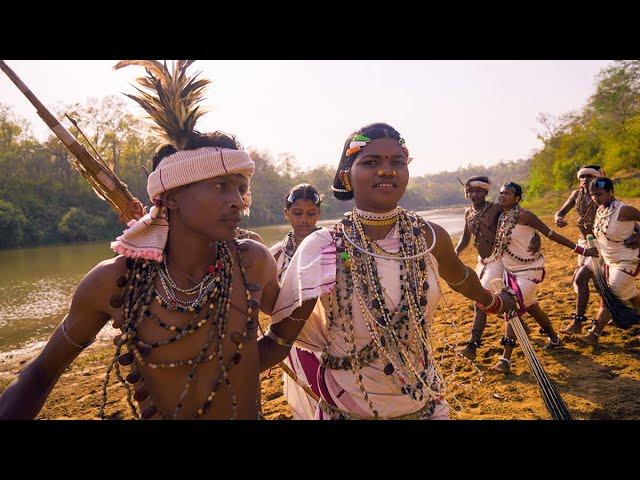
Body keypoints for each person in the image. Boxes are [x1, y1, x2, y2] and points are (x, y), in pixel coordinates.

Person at [0, 60, 279, 420]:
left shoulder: (252, 261)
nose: (238, 200)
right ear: (171, 198)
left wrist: (315, 284)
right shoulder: (114, 281)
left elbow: (267, 344)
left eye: (241, 188)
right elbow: (39, 374)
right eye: (220, 186)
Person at [258, 122, 515, 420]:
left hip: (425, 400)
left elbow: (462, 279)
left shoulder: (429, 237)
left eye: (397, 162)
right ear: (347, 176)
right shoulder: (323, 246)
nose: (387, 170)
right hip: (351, 405)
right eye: (371, 162)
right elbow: (279, 341)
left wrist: (495, 302)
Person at [489, 182, 599, 373]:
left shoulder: (525, 215)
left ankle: (505, 359)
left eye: (508, 193)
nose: (503, 195)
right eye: (501, 192)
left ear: (517, 198)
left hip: (529, 271)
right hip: (510, 272)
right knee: (531, 306)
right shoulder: (501, 216)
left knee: (510, 305)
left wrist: (583, 250)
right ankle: (555, 339)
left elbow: (551, 234)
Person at [268, 183, 323, 419]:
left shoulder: (333, 246)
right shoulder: (276, 255)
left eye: (311, 214)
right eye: (297, 213)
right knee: (312, 393)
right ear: (286, 213)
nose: (304, 220)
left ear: (318, 214)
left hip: (333, 337)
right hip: (295, 339)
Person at [581, 177, 640, 345]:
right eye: (592, 195)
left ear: (610, 192)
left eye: (599, 194)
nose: (595, 198)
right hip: (608, 261)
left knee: (610, 295)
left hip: (627, 260)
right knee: (633, 297)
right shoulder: (600, 210)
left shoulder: (624, 210)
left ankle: (594, 333)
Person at [454, 176, 504, 360]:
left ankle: (472, 346)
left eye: (479, 191)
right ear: (467, 193)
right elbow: (466, 238)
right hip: (482, 262)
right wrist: (456, 251)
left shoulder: (496, 209)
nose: (475, 194)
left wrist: (533, 238)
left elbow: (518, 218)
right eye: (471, 191)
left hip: (498, 260)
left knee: (480, 301)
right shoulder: (468, 213)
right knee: (499, 301)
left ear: (485, 192)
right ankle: (520, 326)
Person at [554, 165, 603, 334]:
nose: (584, 180)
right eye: (582, 177)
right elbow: (560, 212)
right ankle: (612, 314)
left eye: (589, 176)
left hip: (600, 245)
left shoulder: (602, 195)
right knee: (598, 284)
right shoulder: (577, 194)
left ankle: (578, 323)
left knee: (581, 279)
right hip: (584, 243)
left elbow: (618, 212)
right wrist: (558, 218)